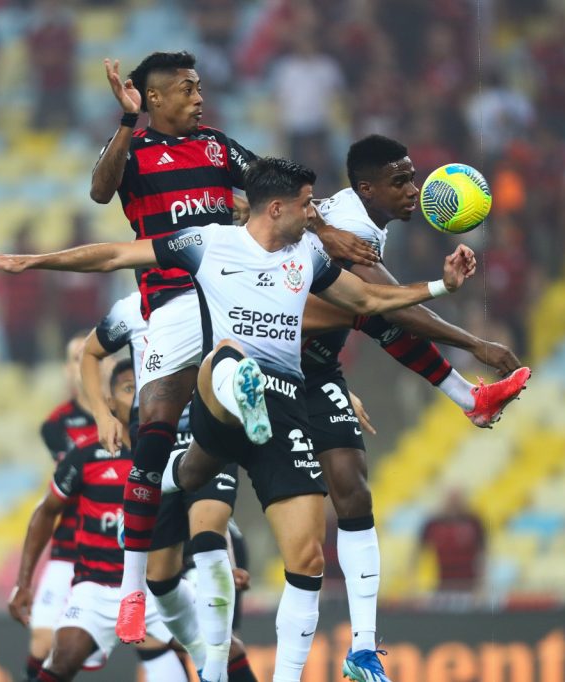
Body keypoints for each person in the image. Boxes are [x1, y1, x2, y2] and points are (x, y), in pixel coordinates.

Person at [0, 156, 478, 680]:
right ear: (276, 207)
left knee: (307, 559)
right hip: (218, 385)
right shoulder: (208, 241)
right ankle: (235, 395)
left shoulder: (307, 253)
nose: (316, 217)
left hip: (283, 406)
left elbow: (371, 298)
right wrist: (31, 262)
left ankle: (176, 483)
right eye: (307, 206)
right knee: (227, 358)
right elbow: (116, 254)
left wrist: (441, 288)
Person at [88, 49, 377, 644]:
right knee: (155, 434)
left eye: (199, 86)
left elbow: (277, 186)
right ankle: (132, 591)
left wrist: (324, 230)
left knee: (321, 325)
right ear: (155, 99)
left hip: (231, 296)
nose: (199, 96)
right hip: (170, 302)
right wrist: (126, 121)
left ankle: (252, 420)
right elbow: (99, 191)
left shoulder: (218, 146)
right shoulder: (134, 150)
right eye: (187, 89)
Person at [284, 134, 532, 680]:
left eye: (414, 177)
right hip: (264, 358)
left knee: (353, 488)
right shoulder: (349, 226)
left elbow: (381, 320)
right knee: (289, 544)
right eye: (400, 181)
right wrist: (476, 344)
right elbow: (383, 306)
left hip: (316, 365)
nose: (414, 190)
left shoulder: (359, 224)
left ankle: (363, 652)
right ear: (367, 187)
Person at [81, 293, 257, 681]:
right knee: (161, 579)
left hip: (206, 432)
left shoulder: (215, 290)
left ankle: (214, 670)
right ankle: (204, 658)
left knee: (208, 535)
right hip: (154, 443)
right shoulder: (129, 309)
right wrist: (101, 413)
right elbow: (90, 354)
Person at [8, 359, 186, 682]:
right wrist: (23, 581)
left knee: (215, 649)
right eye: (128, 388)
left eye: (143, 389)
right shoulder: (85, 455)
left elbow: (202, 510)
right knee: (61, 659)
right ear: (109, 402)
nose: (136, 397)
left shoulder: (173, 452)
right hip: (96, 589)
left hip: (156, 588)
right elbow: (46, 512)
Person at [24, 334, 99, 681]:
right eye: (73, 358)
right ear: (67, 370)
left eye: (87, 355)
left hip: (118, 553)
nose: (80, 365)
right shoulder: (56, 425)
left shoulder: (126, 415)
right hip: (69, 547)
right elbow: (73, 481)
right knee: (42, 640)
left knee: (155, 641)